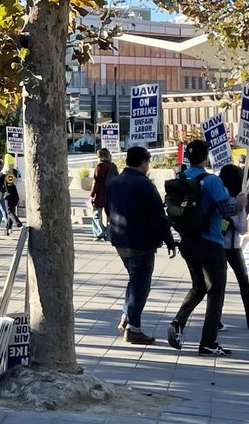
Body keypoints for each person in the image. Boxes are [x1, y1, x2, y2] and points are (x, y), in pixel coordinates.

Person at [165, 140, 240, 357]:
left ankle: (178, 323)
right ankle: (208, 342)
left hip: (188, 241)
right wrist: (241, 203)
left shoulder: (181, 177)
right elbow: (226, 210)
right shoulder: (211, 181)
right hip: (210, 242)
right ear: (206, 157)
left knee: (198, 286)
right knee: (216, 291)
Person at [105, 145, 176, 345]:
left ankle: (127, 316)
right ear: (144, 162)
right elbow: (158, 217)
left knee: (134, 280)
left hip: (120, 240)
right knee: (141, 284)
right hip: (140, 242)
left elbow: (107, 210)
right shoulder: (144, 185)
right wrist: (170, 241)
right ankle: (133, 328)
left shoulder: (114, 182)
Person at [218, 164, 249, 331]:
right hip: (232, 246)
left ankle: (215, 319)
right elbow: (243, 228)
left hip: (216, 245)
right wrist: (242, 206)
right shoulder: (237, 199)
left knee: (217, 285)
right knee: (243, 283)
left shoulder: (217, 198)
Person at [89, 148, 117, 241]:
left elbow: (95, 182)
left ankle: (99, 233)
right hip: (111, 193)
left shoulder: (99, 167)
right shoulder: (113, 166)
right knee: (109, 215)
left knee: (96, 214)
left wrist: (92, 195)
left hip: (100, 193)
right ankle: (109, 234)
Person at [0, 155, 20, 235]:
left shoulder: (3, 173)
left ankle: (17, 224)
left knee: (8, 212)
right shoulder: (15, 171)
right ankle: (8, 229)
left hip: (6, 194)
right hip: (15, 194)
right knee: (11, 211)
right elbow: (18, 181)